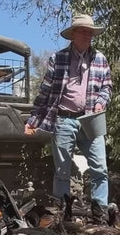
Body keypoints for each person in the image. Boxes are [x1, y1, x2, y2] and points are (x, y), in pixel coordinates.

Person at [24, 13, 112, 220]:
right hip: (64, 119)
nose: (87, 35)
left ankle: (101, 211)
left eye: (90, 32)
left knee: (100, 168)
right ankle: (64, 211)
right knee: (62, 170)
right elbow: (45, 92)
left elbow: (107, 87)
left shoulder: (100, 59)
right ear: (73, 34)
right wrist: (33, 121)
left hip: (91, 119)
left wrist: (102, 101)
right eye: (83, 31)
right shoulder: (58, 58)